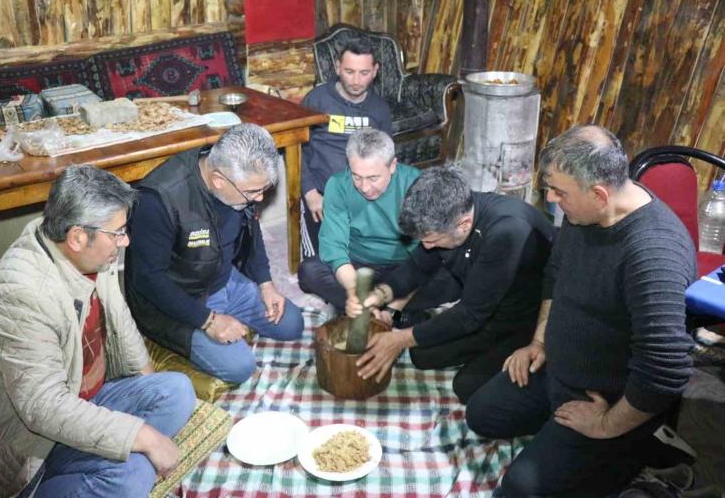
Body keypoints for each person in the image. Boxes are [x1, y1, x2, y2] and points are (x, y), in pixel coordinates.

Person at [465, 126, 696, 497]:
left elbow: (665, 369)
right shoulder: (582, 214)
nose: (552, 200)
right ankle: (570, 445)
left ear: (599, 194)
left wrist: (606, 423)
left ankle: (629, 447)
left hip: (602, 396)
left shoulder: (653, 254)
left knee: (519, 489)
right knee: (482, 414)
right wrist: (539, 342)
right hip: (557, 368)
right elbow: (555, 275)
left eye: (560, 193)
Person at [0, 165, 196, 498]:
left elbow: (120, 321)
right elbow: (44, 407)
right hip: (28, 446)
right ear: (77, 237)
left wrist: (146, 383)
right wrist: (144, 437)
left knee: (177, 391)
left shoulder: (88, 254)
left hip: (81, 396)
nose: (126, 240)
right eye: (118, 232)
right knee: (132, 476)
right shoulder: (23, 297)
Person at [352, 165, 555, 404]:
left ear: (464, 224)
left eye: (431, 240)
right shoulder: (452, 211)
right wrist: (380, 295)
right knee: (420, 355)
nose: (427, 246)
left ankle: (539, 364)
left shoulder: (506, 231)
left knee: (466, 387)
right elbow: (418, 265)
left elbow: (470, 315)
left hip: (528, 319)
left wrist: (400, 339)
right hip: (485, 306)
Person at [125, 123, 304, 384]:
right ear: (219, 180)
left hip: (223, 279)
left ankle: (232, 320)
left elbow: (252, 232)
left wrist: (265, 283)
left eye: (263, 189)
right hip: (179, 299)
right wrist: (208, 320)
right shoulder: (158, 199)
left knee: (292, 324)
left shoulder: (238, 186)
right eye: (254, 192)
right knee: (240, 367)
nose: (259, 198)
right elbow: (148, 280)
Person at [298, 128, 420, 311]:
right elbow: (334, 246)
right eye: (356, 177)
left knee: (440, 275)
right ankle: (372, 309)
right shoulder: (338, 184)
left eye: (373, 178)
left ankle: (381, 310)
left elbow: (424, 253)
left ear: (392, 165)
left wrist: (395, 305)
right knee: (309, 271)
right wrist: (354, 291)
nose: (364, 187)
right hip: (356, 264)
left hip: (401, 265)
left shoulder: (415, 184)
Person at [301, 38, 393, 258]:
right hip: (322, 194)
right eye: (349, 71)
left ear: (375, 71)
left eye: (364, 73)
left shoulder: (379, 109)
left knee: (376, 256)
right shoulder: (316, 100)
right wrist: (310, 193)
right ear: (337, 68)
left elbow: (386, 158)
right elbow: (297, 150)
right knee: (321, 262)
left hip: (363, 194)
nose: (356, 81)